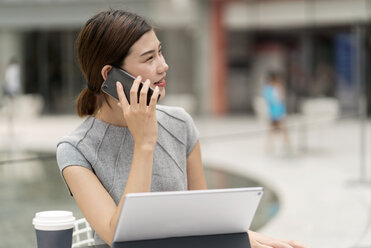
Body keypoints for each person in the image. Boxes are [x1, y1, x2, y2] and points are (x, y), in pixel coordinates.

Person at [56, 9, 306, 248]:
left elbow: (202, 218)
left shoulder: (180, 124)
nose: (163, 66)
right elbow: (119, 236)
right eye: (149, 58)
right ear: (111, 75)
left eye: (160, 52)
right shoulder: (76, 150)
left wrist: (241, 237)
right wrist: (144, 143)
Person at [262, 72, 291, 155]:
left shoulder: (277, 88)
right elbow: (272, 101)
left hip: (279, 111)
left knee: (283, 129)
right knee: (272, 129)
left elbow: (281, 100)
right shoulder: (268, 89)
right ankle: (270, 145)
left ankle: (286, 145)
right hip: (273, 112)